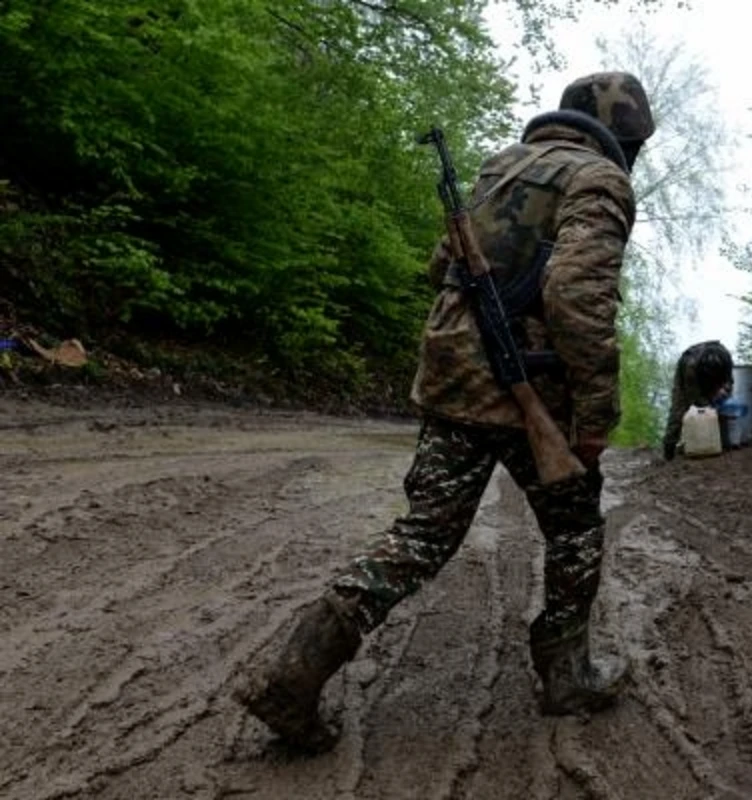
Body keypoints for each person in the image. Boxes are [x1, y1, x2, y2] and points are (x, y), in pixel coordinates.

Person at [233, 72, 656, 751]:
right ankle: (567, 674)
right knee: (575, 528)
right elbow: (578, 295)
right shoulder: (600, 181)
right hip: (532, 390)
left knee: (423, 536)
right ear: (628, 139)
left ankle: (296, 671)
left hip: (453, 379)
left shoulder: (498, 169)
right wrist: (597, 414)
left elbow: (441, 268)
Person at [661, 339, 734, 460]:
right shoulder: (690, 366)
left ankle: (721, 441)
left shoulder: (725, 358)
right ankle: (669, 448)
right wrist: (709, 405)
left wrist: (724, 390)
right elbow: (694, 397)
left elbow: (729, 381)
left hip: (712, 378)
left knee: (723, 404)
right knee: (679, 408)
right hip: (688, 372)